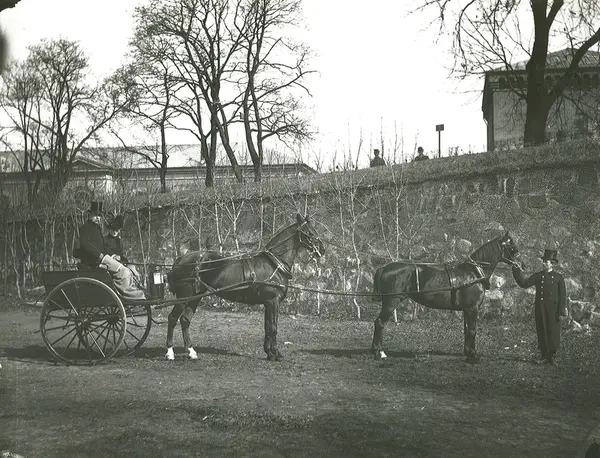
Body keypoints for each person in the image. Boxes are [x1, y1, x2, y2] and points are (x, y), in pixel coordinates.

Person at [77, 201, 145, 300]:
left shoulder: (97, 228)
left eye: (99, 216)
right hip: (94, 261)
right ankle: (128, 295)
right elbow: (86, 245)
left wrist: (113, 255)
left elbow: (103, 247)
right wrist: (99, 255)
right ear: (90, 214)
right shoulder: (85, 228)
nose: (98, 218)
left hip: (103, 258)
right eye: (96, 215)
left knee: (129, 270)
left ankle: (132, 292)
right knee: (123, 271)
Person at [512, 249, 567, 365]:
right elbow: (524, 283)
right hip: (540, 309)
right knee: (542, 331)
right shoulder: (538, 276)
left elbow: (562, 296)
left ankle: (552, 357)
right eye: (543, 261)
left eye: (546, 261)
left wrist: (561, 311)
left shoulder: (558, 277)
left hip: (553, 311)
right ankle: (544, 356)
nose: (543, 263)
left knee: (553, 331)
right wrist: (516, 270)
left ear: (552, 263)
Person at [105, 214, 141, 280]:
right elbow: (105, 251)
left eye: (116, 230)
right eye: (113, 230)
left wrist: (124, 260)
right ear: (110, 230)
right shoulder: (105, 240)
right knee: (126, 272)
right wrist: (113, 256)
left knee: (133, 268)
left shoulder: (119, 241)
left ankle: (135, 282)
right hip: (110, 263)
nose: (115, 232)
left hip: (120, 262)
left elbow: (121, 255)